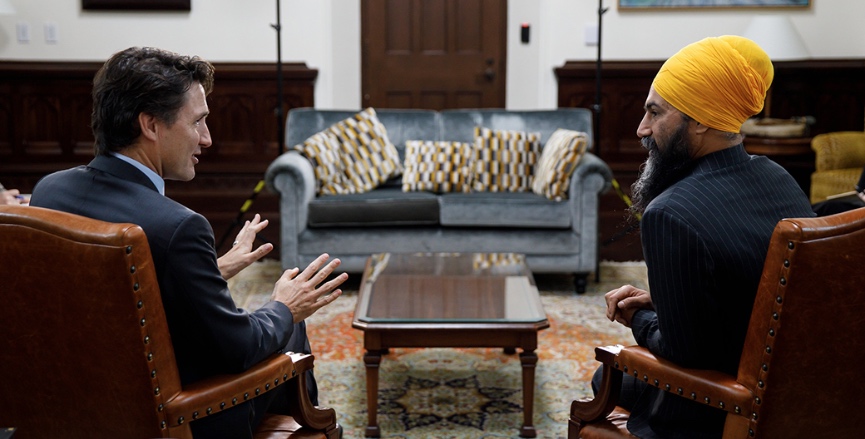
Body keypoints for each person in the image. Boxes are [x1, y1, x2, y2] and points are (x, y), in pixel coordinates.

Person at [29, 47, 347, 438]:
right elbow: (238, 347)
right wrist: (285, 304)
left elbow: (115, 292)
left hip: (76, 407)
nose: (207, 139)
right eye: (198, 122)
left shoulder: (49, 193)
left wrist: (216, 268)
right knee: (287, 327)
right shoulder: (178, 227)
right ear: (150, 125)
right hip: (183, 417)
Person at [598, 36, 815, 438]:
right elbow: (756, 287)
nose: (641, 128)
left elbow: (686, 355)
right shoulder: (777, 175)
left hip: (722, 405)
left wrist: (639, 316)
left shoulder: (669, 214)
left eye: (654, 112)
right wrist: (667, 301)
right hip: (800, 389)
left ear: (700, 120)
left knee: (604, 376)